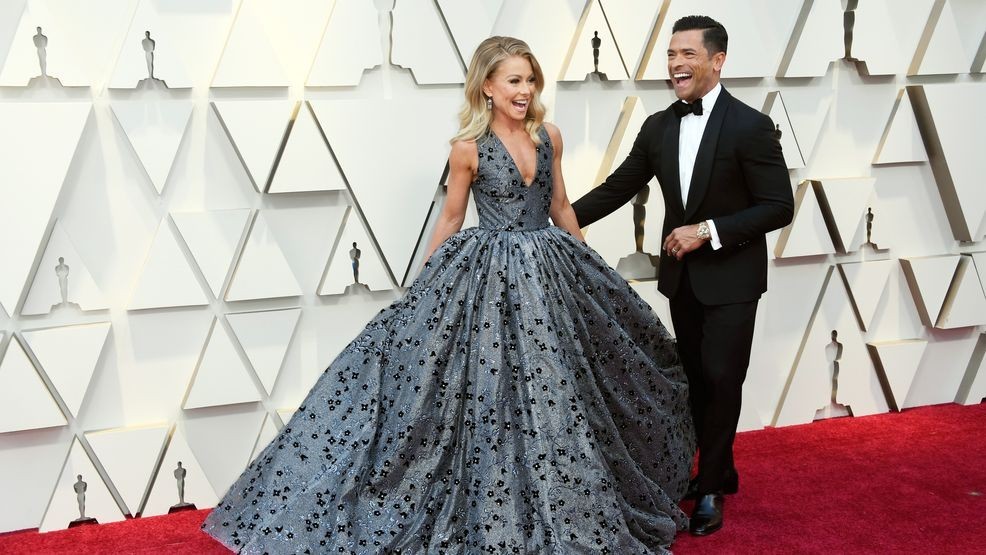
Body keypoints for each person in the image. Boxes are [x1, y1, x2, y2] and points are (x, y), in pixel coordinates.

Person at [203, 36, 693, 554]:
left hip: (550, 267)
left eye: (530, 80)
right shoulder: (468, 149)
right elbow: (453, 216)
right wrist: (426, 286)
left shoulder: (549, 136)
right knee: (486, 387)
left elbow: (561, 203)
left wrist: (586, 257)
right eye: (513, 80)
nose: (524, 90)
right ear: (487, 86)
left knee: (567, 381)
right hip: (489, 273)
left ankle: (568, 491)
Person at [572, 15, 794, 536]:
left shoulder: (751, 126)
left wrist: (709, 229)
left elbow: (778, 206)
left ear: (717, 61)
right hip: (683, 280)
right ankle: (718, 469)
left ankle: (712, 485)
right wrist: (550, 218)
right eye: (671, 54)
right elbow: (616, 188)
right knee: (695, 381)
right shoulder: (659, 125)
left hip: (734, 277)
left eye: (687, 54)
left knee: (722, 377)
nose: (675, 63)